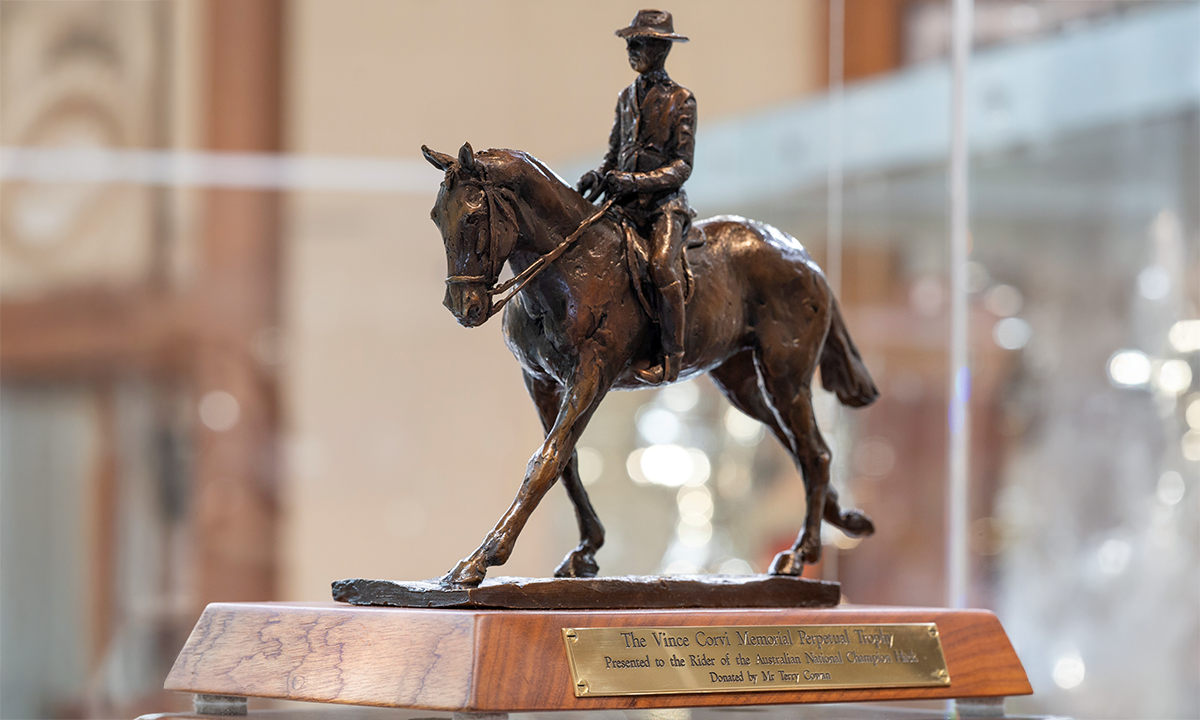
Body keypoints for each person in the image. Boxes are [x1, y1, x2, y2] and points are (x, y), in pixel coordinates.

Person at [578, 9, 696, 385]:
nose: (631, 49)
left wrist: (634, 182)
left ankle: (672, 356)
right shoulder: (626, 97)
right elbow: (614, 152)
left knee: (661, 265)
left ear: (660, 49)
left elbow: (681, 166)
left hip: (664, 206)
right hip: (625, 206)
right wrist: (600, 173)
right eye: (630, 42)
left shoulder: (682, 100)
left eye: (639, 42)